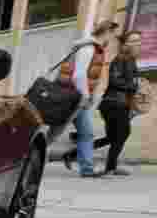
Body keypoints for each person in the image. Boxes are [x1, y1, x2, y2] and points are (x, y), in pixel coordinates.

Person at [62, 30, 142, 176]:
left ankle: (72, 155)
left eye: (138, 40)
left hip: (120, 103)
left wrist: (136, 90)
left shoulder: (131, 59)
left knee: (113, 137)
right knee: (122, 134)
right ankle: (110, 167)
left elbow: (131, 82)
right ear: (125, 43)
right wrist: (133, 86)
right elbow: (114, 80)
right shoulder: (121, 58)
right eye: (133, 40)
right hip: (113, 103)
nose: (137, 43)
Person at [57, 20, 120, 178]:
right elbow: (79, 74)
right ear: (107, 32)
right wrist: (85, 96)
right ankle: (87, 169)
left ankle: (86, 169)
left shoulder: (92, 48)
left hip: (73, 95)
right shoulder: (89, 48)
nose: (112, 39)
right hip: (74, 97)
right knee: (82, 133)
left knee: (75, 132)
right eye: (112, 34)